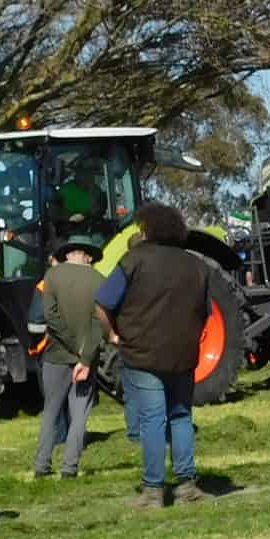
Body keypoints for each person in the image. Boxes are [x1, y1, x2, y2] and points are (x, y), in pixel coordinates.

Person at [97, 203, 213, 506]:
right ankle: (187, 485)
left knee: (152, 419)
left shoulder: (133, 260)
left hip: (142, 353)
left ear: (146, 229)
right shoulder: (197, 265)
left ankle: (153, 490)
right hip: (184, 353)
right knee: (181, 415)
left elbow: (103, 303)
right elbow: (207, 312)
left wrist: (112, 334)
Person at [33, 236, 107, 480]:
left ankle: (42, 465)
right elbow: (100, 324)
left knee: (51, 412)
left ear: (68, 254)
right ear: (87, 256)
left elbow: (49, 316)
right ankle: (69, 468)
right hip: (86, 359)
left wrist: (70, 344)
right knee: (79, 415)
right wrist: (84, 356)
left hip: (55, 355)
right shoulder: (99, 280)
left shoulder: (52, 276)